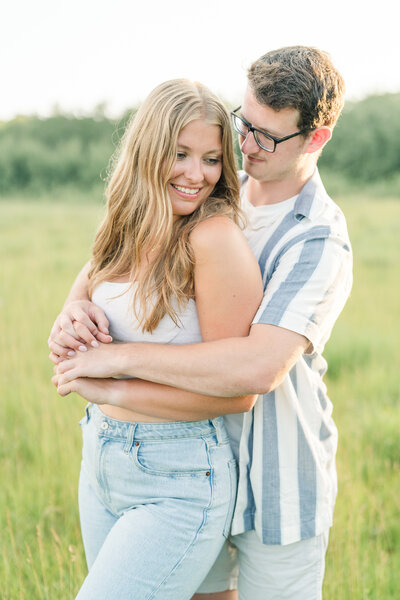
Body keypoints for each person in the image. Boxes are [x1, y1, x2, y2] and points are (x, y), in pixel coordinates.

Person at [50, 46, 353, 600]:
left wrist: (112, 366)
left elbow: (256, 369)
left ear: (316, 138)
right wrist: (74, 309)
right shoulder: (213, 186)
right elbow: (109, 262)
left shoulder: (317, 238)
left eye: (269, 136)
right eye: (245, 124)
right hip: (177, 448)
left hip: (271, 474)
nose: (247, 145)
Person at [50, 78, 264, 600]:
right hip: (101, 458)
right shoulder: (122, 229)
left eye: (212, 158)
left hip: (180, 476)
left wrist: (114, 389)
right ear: (148, 151)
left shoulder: (212, 238)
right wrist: (71, 316)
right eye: (181, 154)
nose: (198, 174)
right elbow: (78, 307)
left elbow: (237, 391)